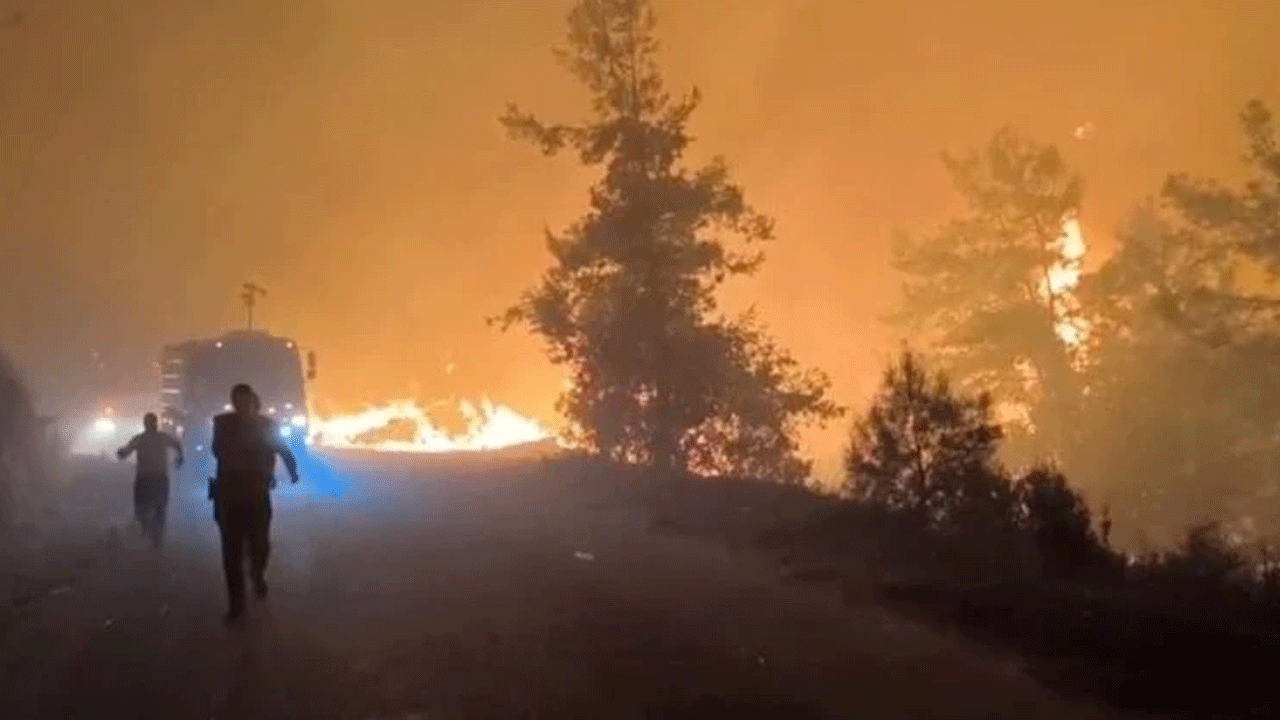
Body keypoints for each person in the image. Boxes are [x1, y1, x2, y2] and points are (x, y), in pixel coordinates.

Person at [210, 383, 299, 623]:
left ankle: (257, 573)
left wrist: (292, 471)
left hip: (257, 494)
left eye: (248, 401)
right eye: (238, 401)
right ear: (234, 402)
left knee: (260, 544)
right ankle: (236, 606)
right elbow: (218, 450)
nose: (243, 406)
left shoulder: (266, 426)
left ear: (254, 402)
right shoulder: (223, 424)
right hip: (229, 494)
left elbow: (282, 448)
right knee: (231, 552)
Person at [116, 412, 183, 549]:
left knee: (145, 508)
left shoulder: (141, 439)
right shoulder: (159, 438)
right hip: (156, 478)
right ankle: (154, 534)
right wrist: (180, 458)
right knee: (157, 509)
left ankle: (152, 533)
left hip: (147, 479)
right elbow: (177, 445)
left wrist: (121, 453)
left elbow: (125, 452)